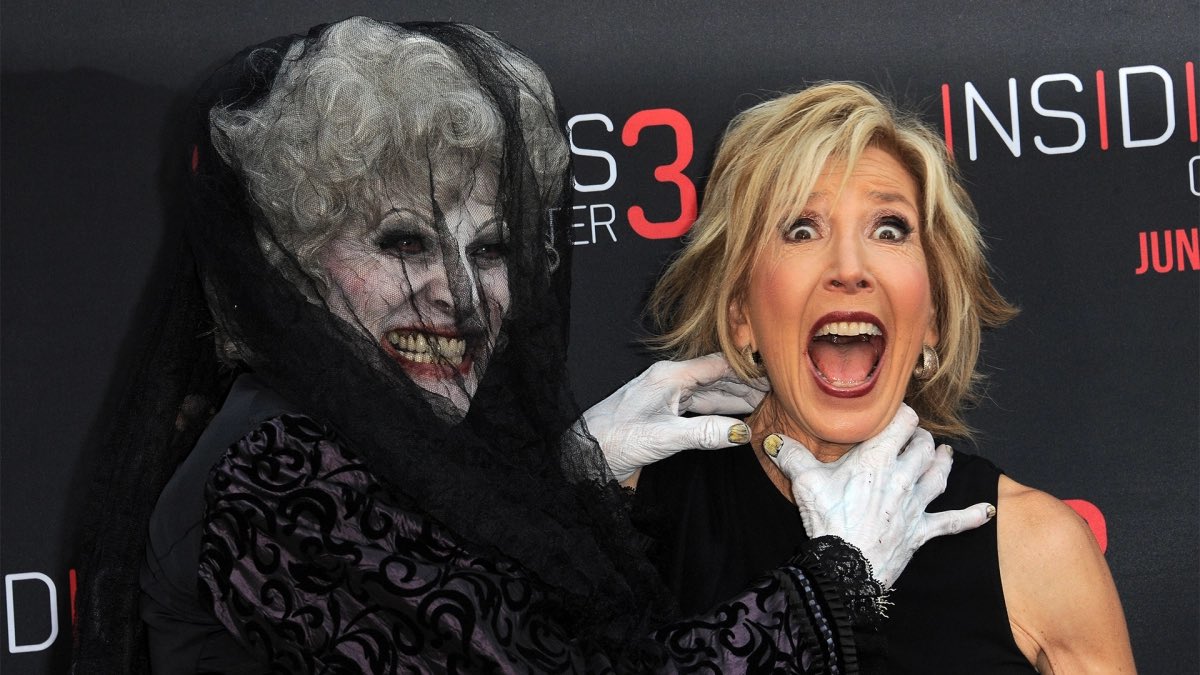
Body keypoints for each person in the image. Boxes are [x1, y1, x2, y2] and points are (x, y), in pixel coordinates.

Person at [71, 20, 989, 674]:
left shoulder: (361, 448)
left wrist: (571, 467)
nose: (461, 296)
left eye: (490, 250)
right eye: (404, 243)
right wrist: (838, 583)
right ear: (295, 259)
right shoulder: (275, 473)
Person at [634, 81, 1137, 673]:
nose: (850, 269)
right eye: (801, 229)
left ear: (932, 318)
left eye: (889, 229)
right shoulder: (637, 518)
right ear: (741, 314)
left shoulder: (1035, 547)